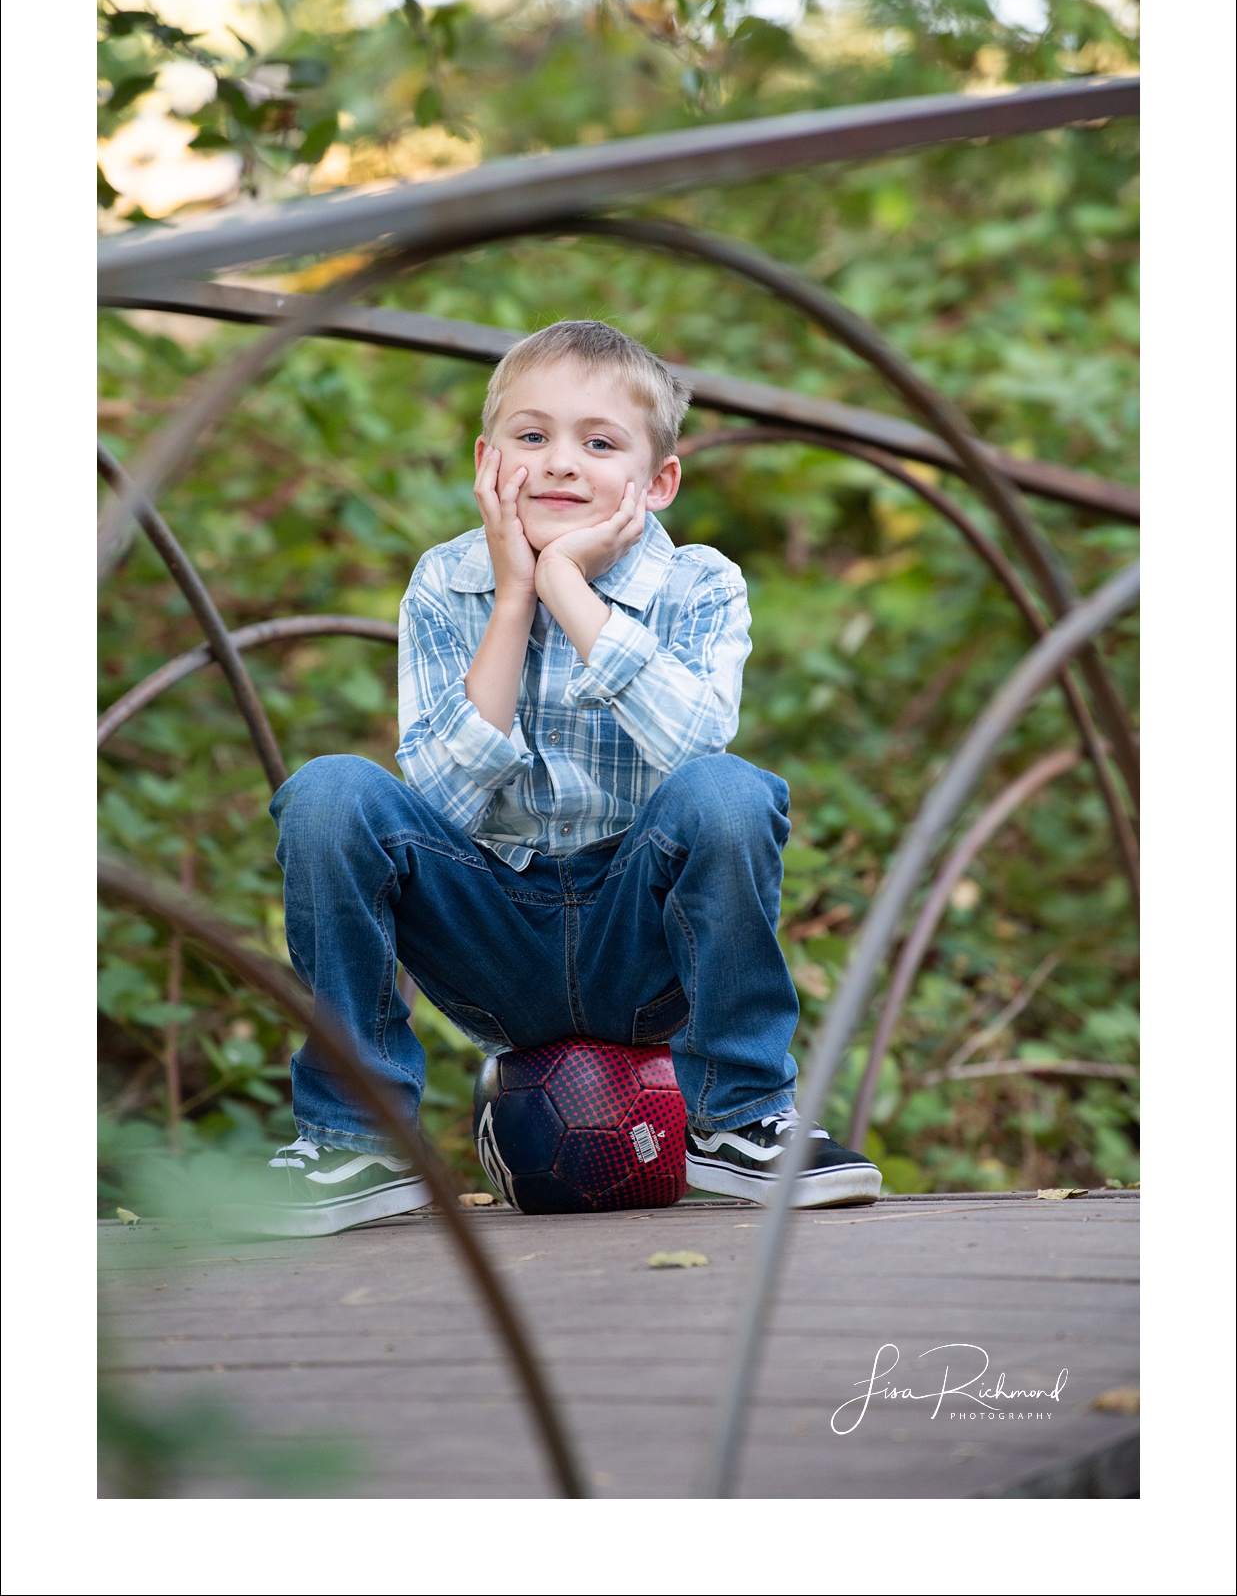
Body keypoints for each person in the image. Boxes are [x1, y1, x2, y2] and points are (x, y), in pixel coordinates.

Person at [219, 320, 881, 1236]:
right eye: (533, 437)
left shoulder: (698, 583)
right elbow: (441, 802)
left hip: (639, 939)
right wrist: (515, 592)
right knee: (331, 791)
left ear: (657, 483)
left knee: (731, 790)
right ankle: (359, 1139)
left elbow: (695, 754)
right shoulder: (447, 582)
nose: (562, 462)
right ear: (489, 461)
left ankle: (739, 1119)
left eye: (598, 442)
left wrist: (569, 585)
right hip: (492, 939)